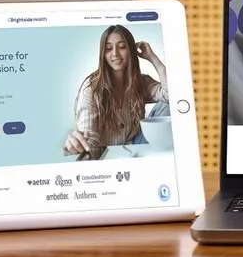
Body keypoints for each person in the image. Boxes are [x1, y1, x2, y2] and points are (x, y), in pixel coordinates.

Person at [64, 25, 167, 158]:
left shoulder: (141, 82)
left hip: (136, 145)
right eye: (108, 48)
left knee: (169, 105)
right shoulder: (91, 88)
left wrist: (153, 58)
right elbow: (89, 138)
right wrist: (78, 146)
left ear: (131, 50)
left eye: (122, 47)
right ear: (103, 54)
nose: (115, 54)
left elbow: (172, 95)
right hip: (108, 153)